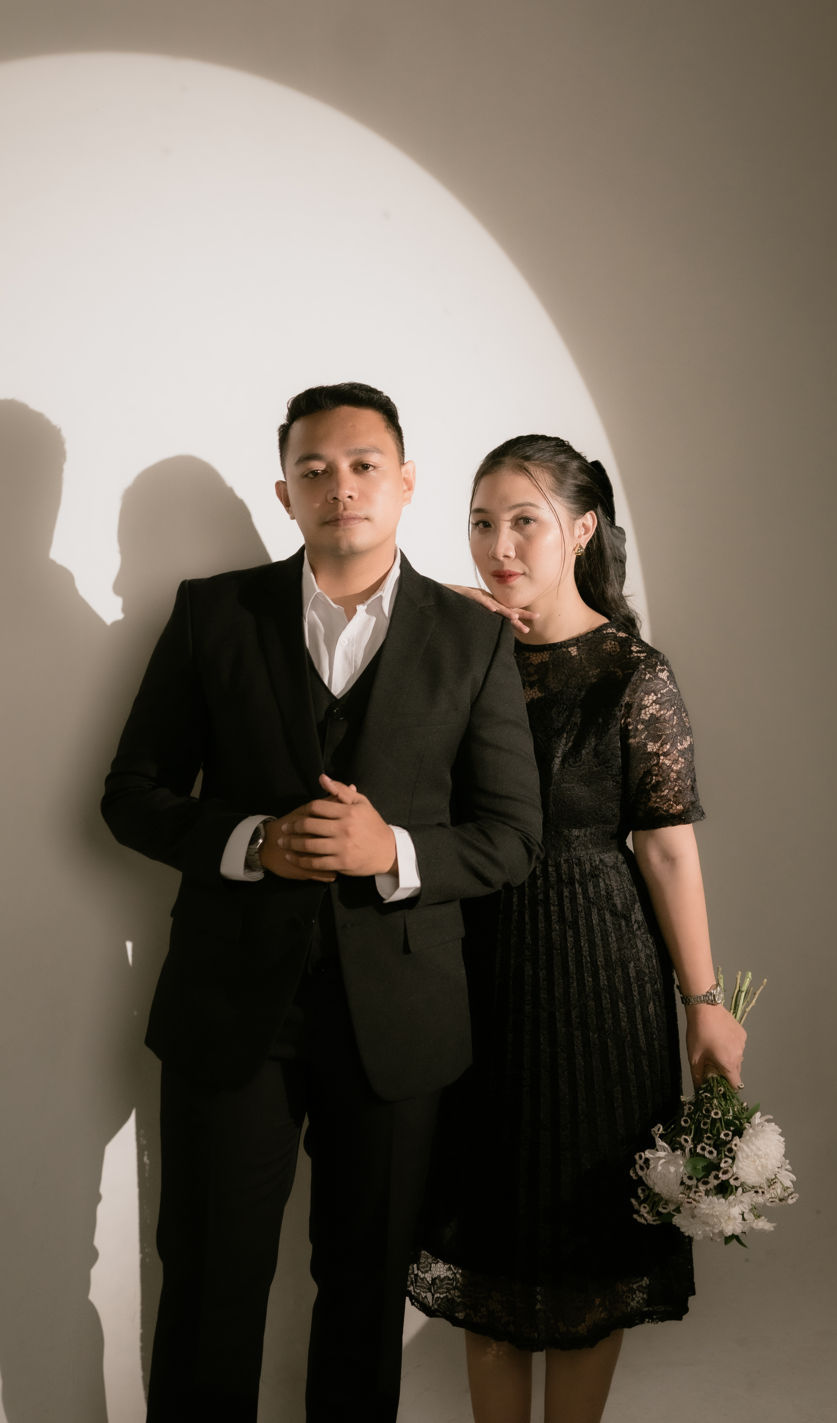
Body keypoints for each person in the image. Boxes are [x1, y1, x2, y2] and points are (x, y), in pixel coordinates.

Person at [101, 384, 543, 1423]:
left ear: (405, 482)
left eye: (362, 465)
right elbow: (132, 793)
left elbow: (513, 834)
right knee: (208, 1284)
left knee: (362, 1295)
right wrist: (253, 842)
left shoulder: (472, 637)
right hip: (230, 1012)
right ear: (285, 492)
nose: (340, 485)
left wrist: (391, 849)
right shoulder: (213, 613)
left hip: (401, 1022)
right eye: (314, 469)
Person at [409, 435, 746, 1423]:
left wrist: (704, 1003)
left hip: (599, 978)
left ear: (583, 528)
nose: (499, 545)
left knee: (589, 1243)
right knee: (487, 1239)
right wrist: (440, 616)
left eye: (525, 520)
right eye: (482, 522)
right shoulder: (459, 652)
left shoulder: (632, 672)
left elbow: (667, 849)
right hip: (473, 975)